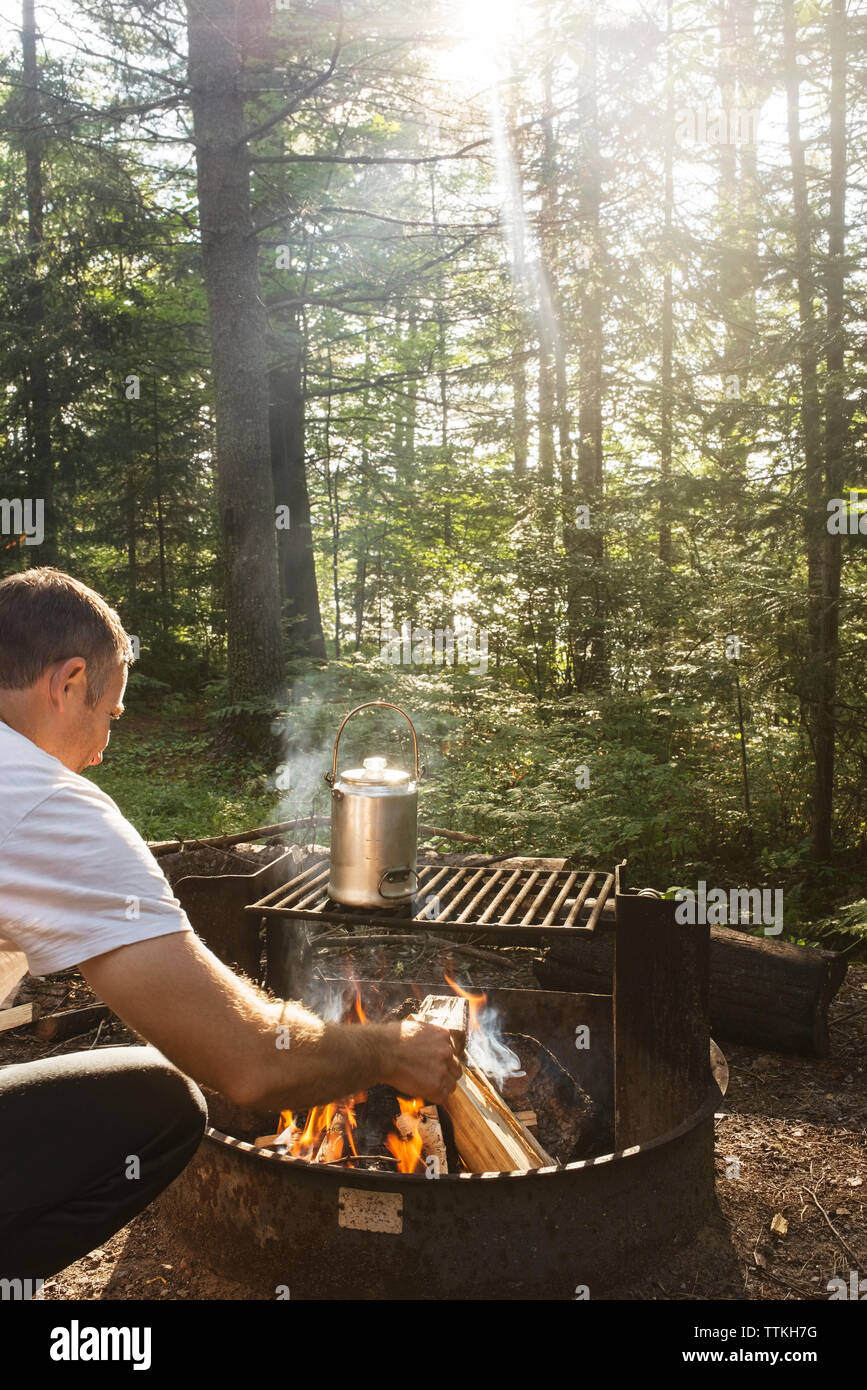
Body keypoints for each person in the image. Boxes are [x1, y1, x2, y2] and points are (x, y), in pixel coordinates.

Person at [0, 568, 459, 1282]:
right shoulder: (47, 807)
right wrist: (395, 1049)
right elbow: (251, 1063)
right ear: (67, 683)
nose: (102, 749)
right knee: (158, 1103)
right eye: (110, 716)